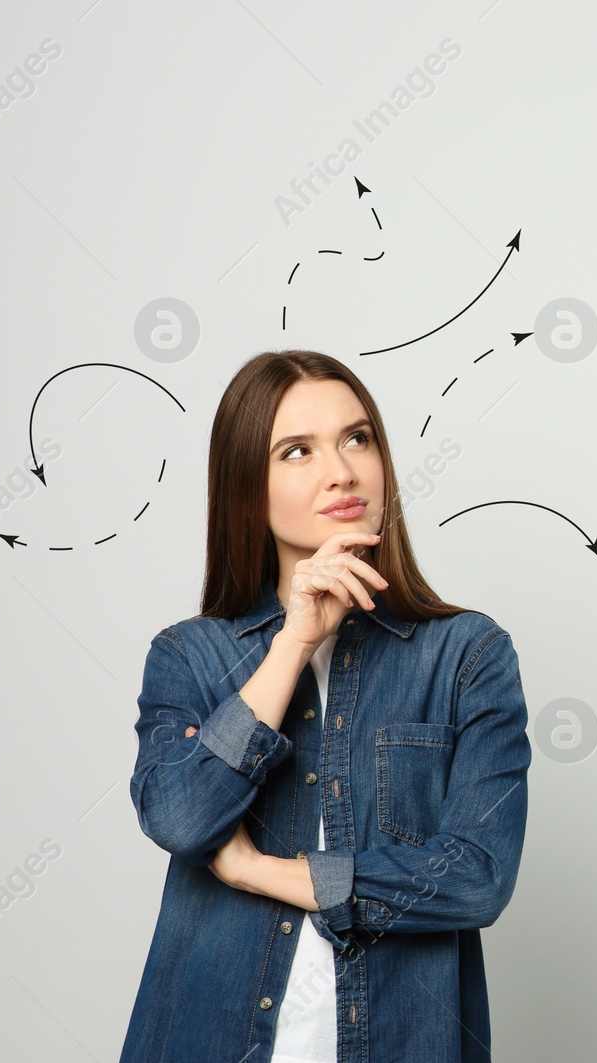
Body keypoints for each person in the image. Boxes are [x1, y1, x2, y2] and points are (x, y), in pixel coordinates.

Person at [120, 350, 530, 1062]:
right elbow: (181, 816)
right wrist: (293, 642)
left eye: (357, 438)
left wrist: (258, 870)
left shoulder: (466, 654)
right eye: (297, 450)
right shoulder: (190, 656)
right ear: (248, 487)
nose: (340, 469)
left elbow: (476, 879)